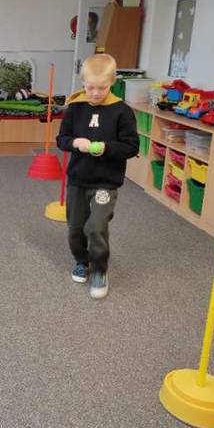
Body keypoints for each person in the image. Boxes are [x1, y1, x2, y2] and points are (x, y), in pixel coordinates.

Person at [56, 53, 139, 299]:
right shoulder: (75, 108)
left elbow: (131, 147)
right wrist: (75, 143)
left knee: (96, 227)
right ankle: (82, 261)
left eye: (101, 88)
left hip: (105, 182)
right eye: (90, 87)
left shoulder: (122, 111)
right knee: (75, 227)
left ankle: (100, 269)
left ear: (112, 81)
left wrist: (106, 148)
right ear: (83, 82)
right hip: (78, 180)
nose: (95, 93)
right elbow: (61, 139)